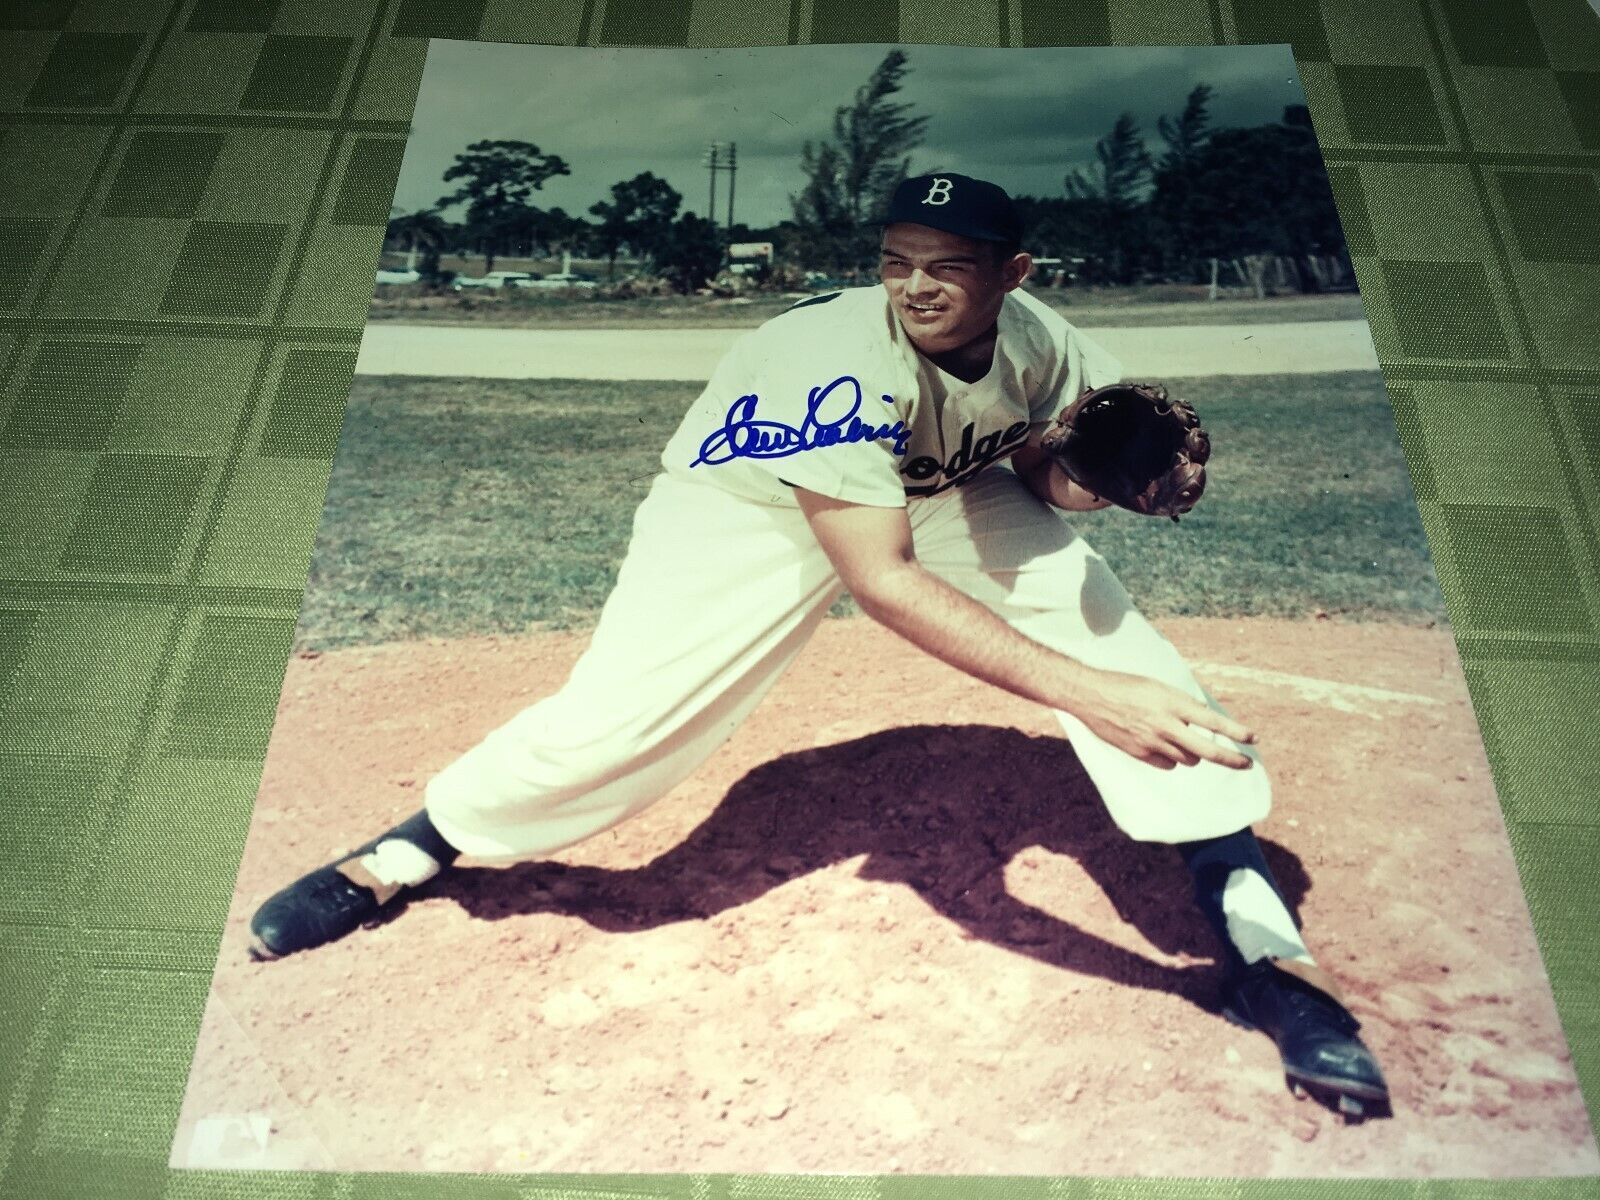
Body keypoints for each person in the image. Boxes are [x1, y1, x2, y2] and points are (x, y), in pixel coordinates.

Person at [250, 173, 1389, 1117]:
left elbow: (1032, 463)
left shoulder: (1045, 340)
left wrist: (1083, 483)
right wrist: (1081, 696)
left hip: (934, 491)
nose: (919, 284)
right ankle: (407, 850)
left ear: (1014, 275)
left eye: (949, 263)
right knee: (619, 721)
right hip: (745, 508)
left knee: (1106, 629)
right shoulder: (839, 357)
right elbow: (880, 581)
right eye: (899, 260)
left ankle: (1263, 951)